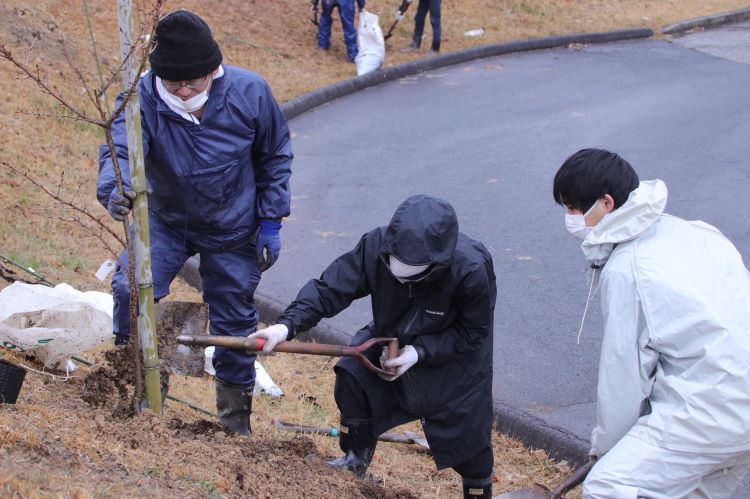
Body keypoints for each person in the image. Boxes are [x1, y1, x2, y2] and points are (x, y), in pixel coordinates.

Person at [97, 10, 293, 435]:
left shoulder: (250, 93)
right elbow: (119, 150)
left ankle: (234, 422)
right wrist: (117, 188)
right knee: (131, 289)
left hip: (232, 225)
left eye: (194, 82)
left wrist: (271, 220)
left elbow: (275, 156)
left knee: (236, 318)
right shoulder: (140, 99)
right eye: (174, 83)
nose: (184, 91)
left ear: (213, 70)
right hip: (164, 220)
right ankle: (142, 397)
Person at [250, 194, 496, 498]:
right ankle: (355, 458)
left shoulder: (470, 269)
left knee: (468, 439)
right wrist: (286, 325)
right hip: (390, 339)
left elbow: (473, 333)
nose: (399, 269)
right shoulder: (377, 245)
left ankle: (478, 491)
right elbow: (330, 288)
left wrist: (420, 352)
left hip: (453, 357)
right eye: (395, 261)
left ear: (437, 263)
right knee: (354, 376)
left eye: (412, 266)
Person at [553, 148, 750, 498]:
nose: (569, 219)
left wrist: (607, 448)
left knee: (608, 486)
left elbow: (624, 377)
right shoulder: (698, 233)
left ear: (607, 204)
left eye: (573, 209)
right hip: (733, 404)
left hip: (708, 412)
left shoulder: (628, 268)